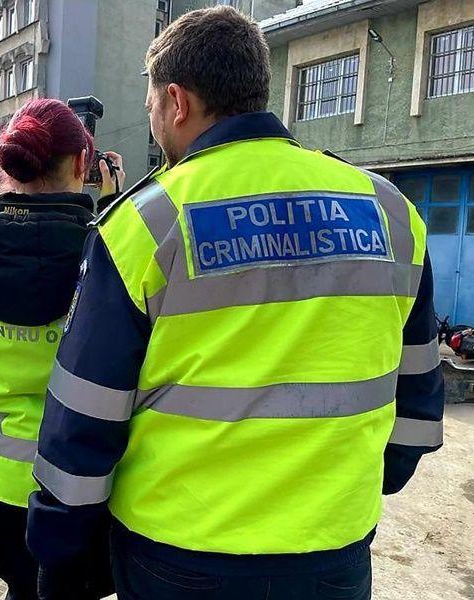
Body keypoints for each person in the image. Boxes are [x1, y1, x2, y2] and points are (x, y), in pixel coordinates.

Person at [26, 7, 445, 600]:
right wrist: (356, 486)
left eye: (150, 107)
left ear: (176, 102)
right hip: (333, 547)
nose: (153, 123)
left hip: (178, 552)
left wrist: (59, 547)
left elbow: (85, 414)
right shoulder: (391, 212)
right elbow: (419, 396)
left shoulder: (146, 223)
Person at [0, 98, 123, 600]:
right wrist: (114, 204)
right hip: (81, 489)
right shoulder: (111, 254)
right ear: (82, 163)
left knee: (21, 587)